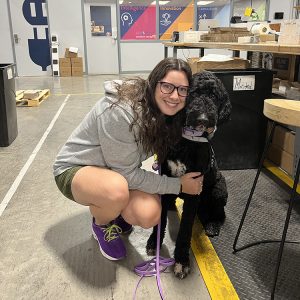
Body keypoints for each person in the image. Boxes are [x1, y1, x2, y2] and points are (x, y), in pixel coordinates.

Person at [53, 58, 204, 261]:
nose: (175, 96)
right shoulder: (120, 110)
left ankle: (112, 210)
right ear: (153, 83)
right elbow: (126, 174)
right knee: (116, 191)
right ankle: (101, 223)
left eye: (182, 90)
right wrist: (178, 185)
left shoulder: (168, 114)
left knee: (149, 214)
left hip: (116, 171)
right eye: (167, 86)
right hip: (77, 168)